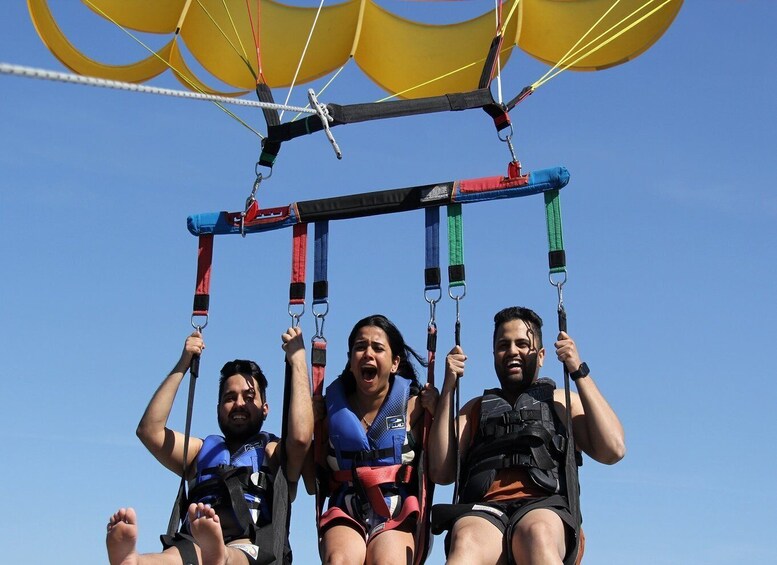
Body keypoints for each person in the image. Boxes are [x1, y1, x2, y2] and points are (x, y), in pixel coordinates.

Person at [429, 306, 625, 565]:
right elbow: (441, 472)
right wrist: (448, 389)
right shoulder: (475, 408)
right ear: (494, 355)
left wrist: (577, 370)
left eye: (522, 344)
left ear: (541, 355)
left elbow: (614, 449)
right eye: (503, 345)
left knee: (537, 534)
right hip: (485, 513)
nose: (512, 351)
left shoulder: (562, 402)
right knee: (465, 541)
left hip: (544, 507)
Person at [106, 326, 313, 565]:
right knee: (172, 557)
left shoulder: (273, 452)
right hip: (196, 542)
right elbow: (149, 431)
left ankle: (220, 555)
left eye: (248, 397)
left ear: (265, 408)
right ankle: (133, 561)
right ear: (217, 409)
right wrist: (184, 363)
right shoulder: (200, 452)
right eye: (229, 398)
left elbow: (300, 438)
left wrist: (297, 361)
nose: (238, 404)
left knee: (232, 555)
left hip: (251, 546)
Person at [310, 314, 438, 565]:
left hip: (397, 511)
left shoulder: (416, 408)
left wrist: (441, 406)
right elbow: (301, 461)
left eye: (378, 348)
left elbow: (443, 470)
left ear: (394, 363)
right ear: (350, 361)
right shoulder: (328, 411)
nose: (368, 353)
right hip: (346, 509)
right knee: (339, 560)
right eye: (360, 347)